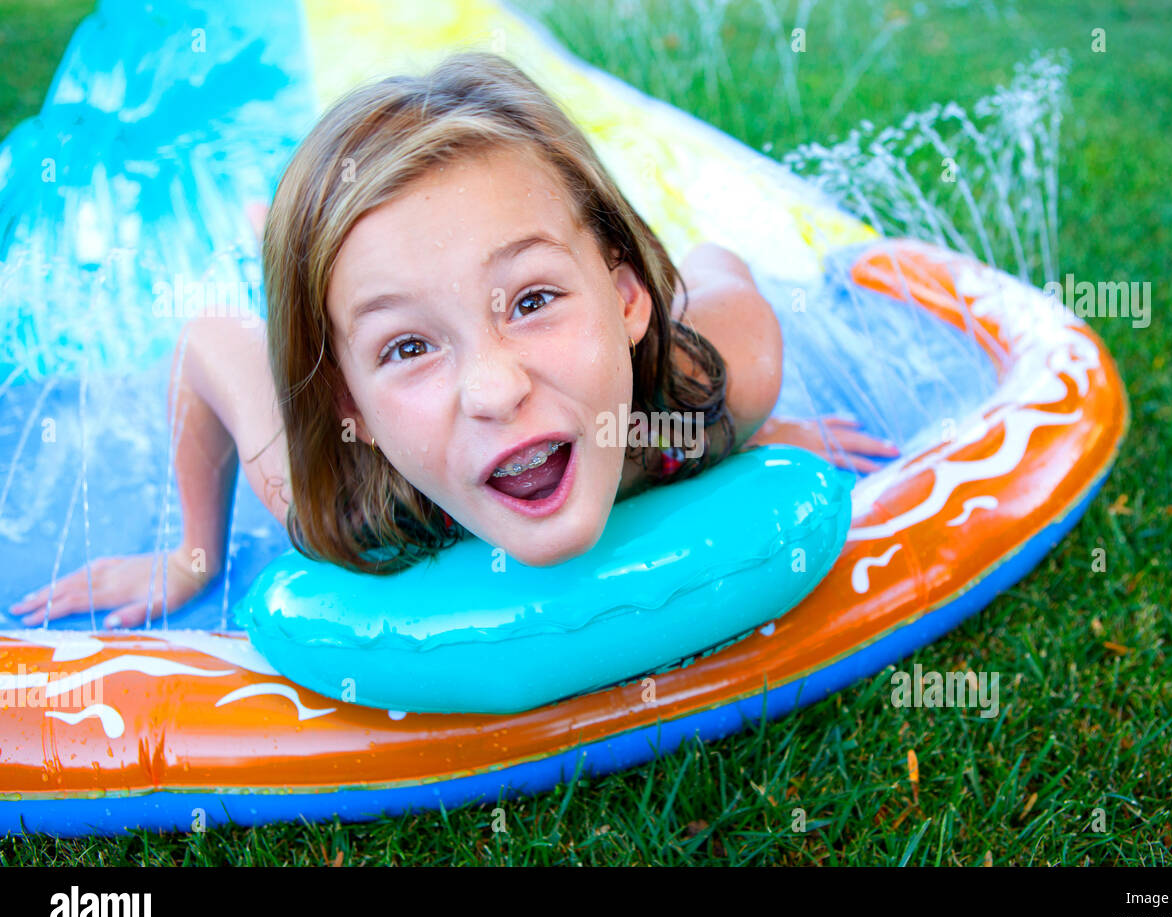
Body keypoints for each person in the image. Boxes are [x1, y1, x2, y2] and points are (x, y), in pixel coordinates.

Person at [9, 51, 896, 629]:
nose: (493, 388)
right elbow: (207, 342)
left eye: (533, 300)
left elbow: (715, 264)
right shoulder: (337, 503)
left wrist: (732, 432)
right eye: (409, 350)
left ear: (627, 301)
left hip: (651, 321)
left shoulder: (725, 371)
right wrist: (190, 552)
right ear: (352, 404)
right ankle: (295, 246)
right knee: (309, 284)